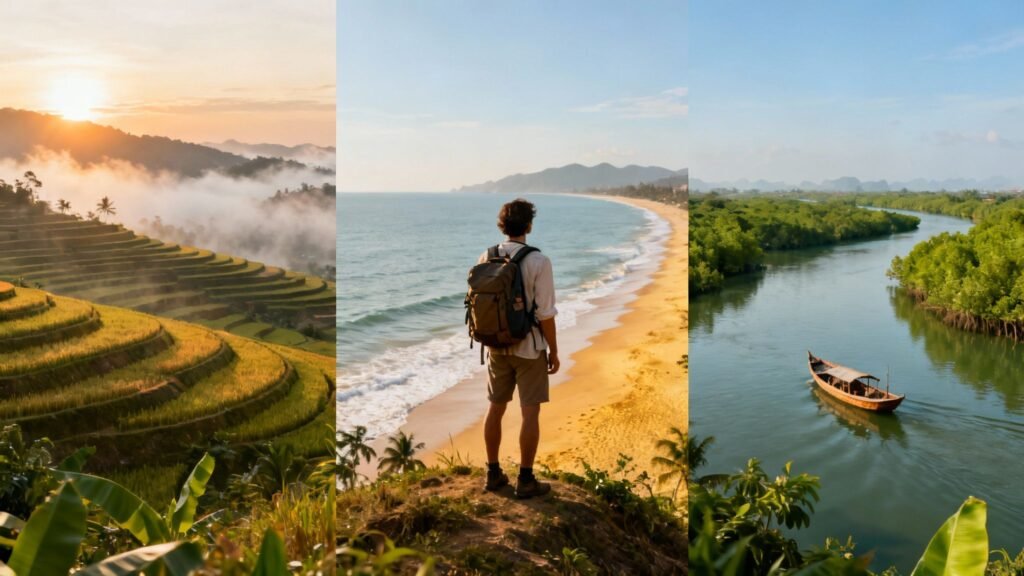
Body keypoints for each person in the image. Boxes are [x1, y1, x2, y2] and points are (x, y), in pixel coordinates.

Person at [480, 198, 559, 498]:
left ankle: (493, 473)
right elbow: (545, 313)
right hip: (529, 347)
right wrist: (553, 350)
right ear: (529, 225)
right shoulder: (539, 261)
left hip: (496, 345)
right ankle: (525, 479)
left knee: (495, 409)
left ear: (502, 225)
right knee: (530, 414)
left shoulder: (485, 257)